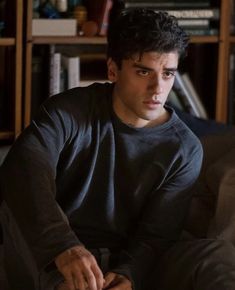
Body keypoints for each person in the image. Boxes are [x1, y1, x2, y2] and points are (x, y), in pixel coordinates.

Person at [1, 8, 235, 290]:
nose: (158, 88)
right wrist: (63, 246)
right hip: (54, 249)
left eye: (168, 73)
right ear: (113, 70)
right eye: (143, 71)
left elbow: (157, 235)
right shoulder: (68, 111)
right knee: (20, 210)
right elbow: (22, 167)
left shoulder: (185, 148)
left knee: (215, 256)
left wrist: (130, 273)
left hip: (125, 257)